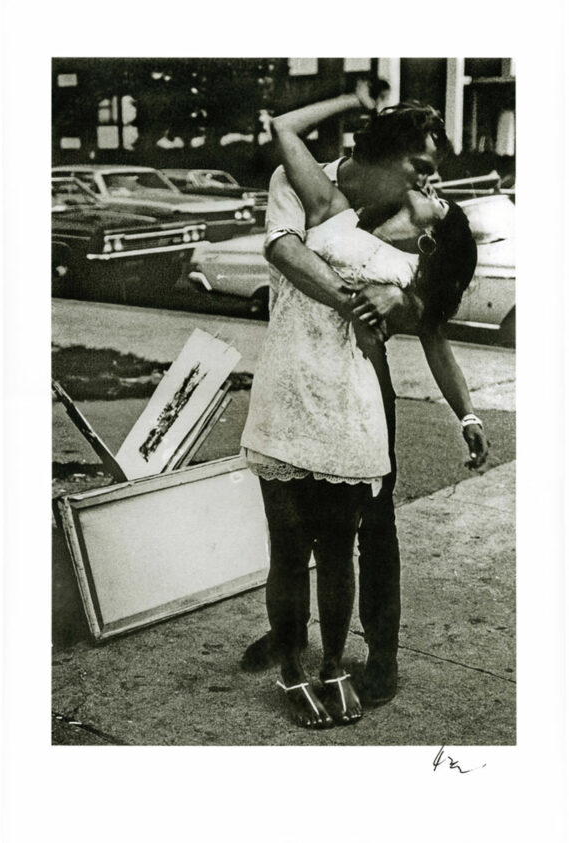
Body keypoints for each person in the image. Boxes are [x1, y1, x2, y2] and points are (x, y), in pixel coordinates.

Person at [241, 85, 488, 728]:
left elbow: (427, 324)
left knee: (364, 535)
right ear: (383, 154)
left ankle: (368, 657)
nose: (436, 186)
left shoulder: (431, 228)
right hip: (296, 379)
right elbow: (283, 250)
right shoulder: (313, 191)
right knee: (292, 543)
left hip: (362, 386)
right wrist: (359, 298)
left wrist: (466, 413)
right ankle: (291, 649)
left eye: (436, 177)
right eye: (424, 169)